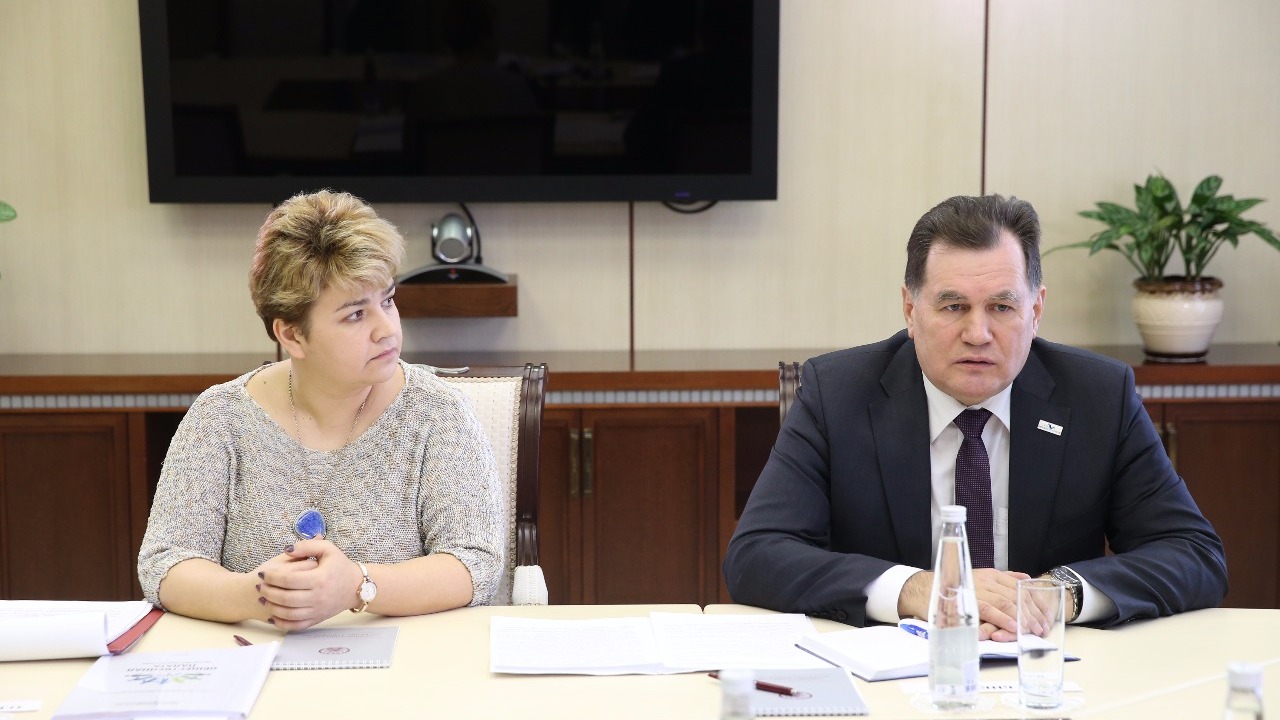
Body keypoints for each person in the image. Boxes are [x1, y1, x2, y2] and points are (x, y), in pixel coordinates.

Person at [723, 193, 1227, 640]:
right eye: (953, 307)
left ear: (1036, 310)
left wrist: (1058, 595)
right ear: (910, 309)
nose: (978, 334)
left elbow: (1193, 553)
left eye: (1002, 307)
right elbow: (756, 554)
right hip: (891, 671)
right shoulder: (838, 394)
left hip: (1048, 669)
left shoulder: (1098, 396)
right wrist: (923, 589)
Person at [138, 189, 503, 631]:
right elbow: (165, 563)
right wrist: (260, 595)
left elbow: (475, 563)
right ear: (292, 335)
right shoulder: (220, 418)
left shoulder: (437, 412)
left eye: (387, 301)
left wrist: (358, 586)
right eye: (356, 315)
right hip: (256, 660)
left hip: (403, 664)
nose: (386, 329)